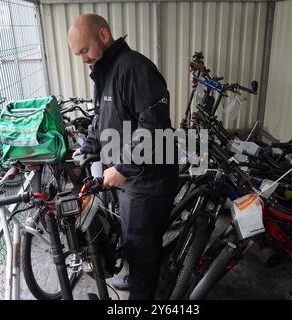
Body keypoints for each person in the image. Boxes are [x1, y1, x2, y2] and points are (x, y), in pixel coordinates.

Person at [67, 14, 178, 300]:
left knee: (140, 246)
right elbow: (102, 119)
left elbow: (154, 128)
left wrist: (124, 168)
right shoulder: (106, 70)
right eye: (77, 53)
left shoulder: (135, 70)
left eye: (83, 50)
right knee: (130, 241)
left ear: (104, 35)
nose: (82, 59)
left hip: (146, 180)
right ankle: (140, 277)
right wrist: (89, 148)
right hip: (125, 177)